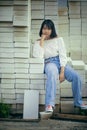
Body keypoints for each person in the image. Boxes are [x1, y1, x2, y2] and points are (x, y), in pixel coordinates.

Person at [33, 19, 87, 112]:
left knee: (76, 77)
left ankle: (78, 102)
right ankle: (49, 105)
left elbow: (63, 55)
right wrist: (42, 40)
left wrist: (62, 72)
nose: (46, 31)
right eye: (44, 28)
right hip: (48, 62)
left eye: (48, 29)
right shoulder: (37, 42)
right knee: (53, 73)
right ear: (41, 29)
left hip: (59, 61)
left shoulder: (58, 39)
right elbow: (38, 56)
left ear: (52, 30)